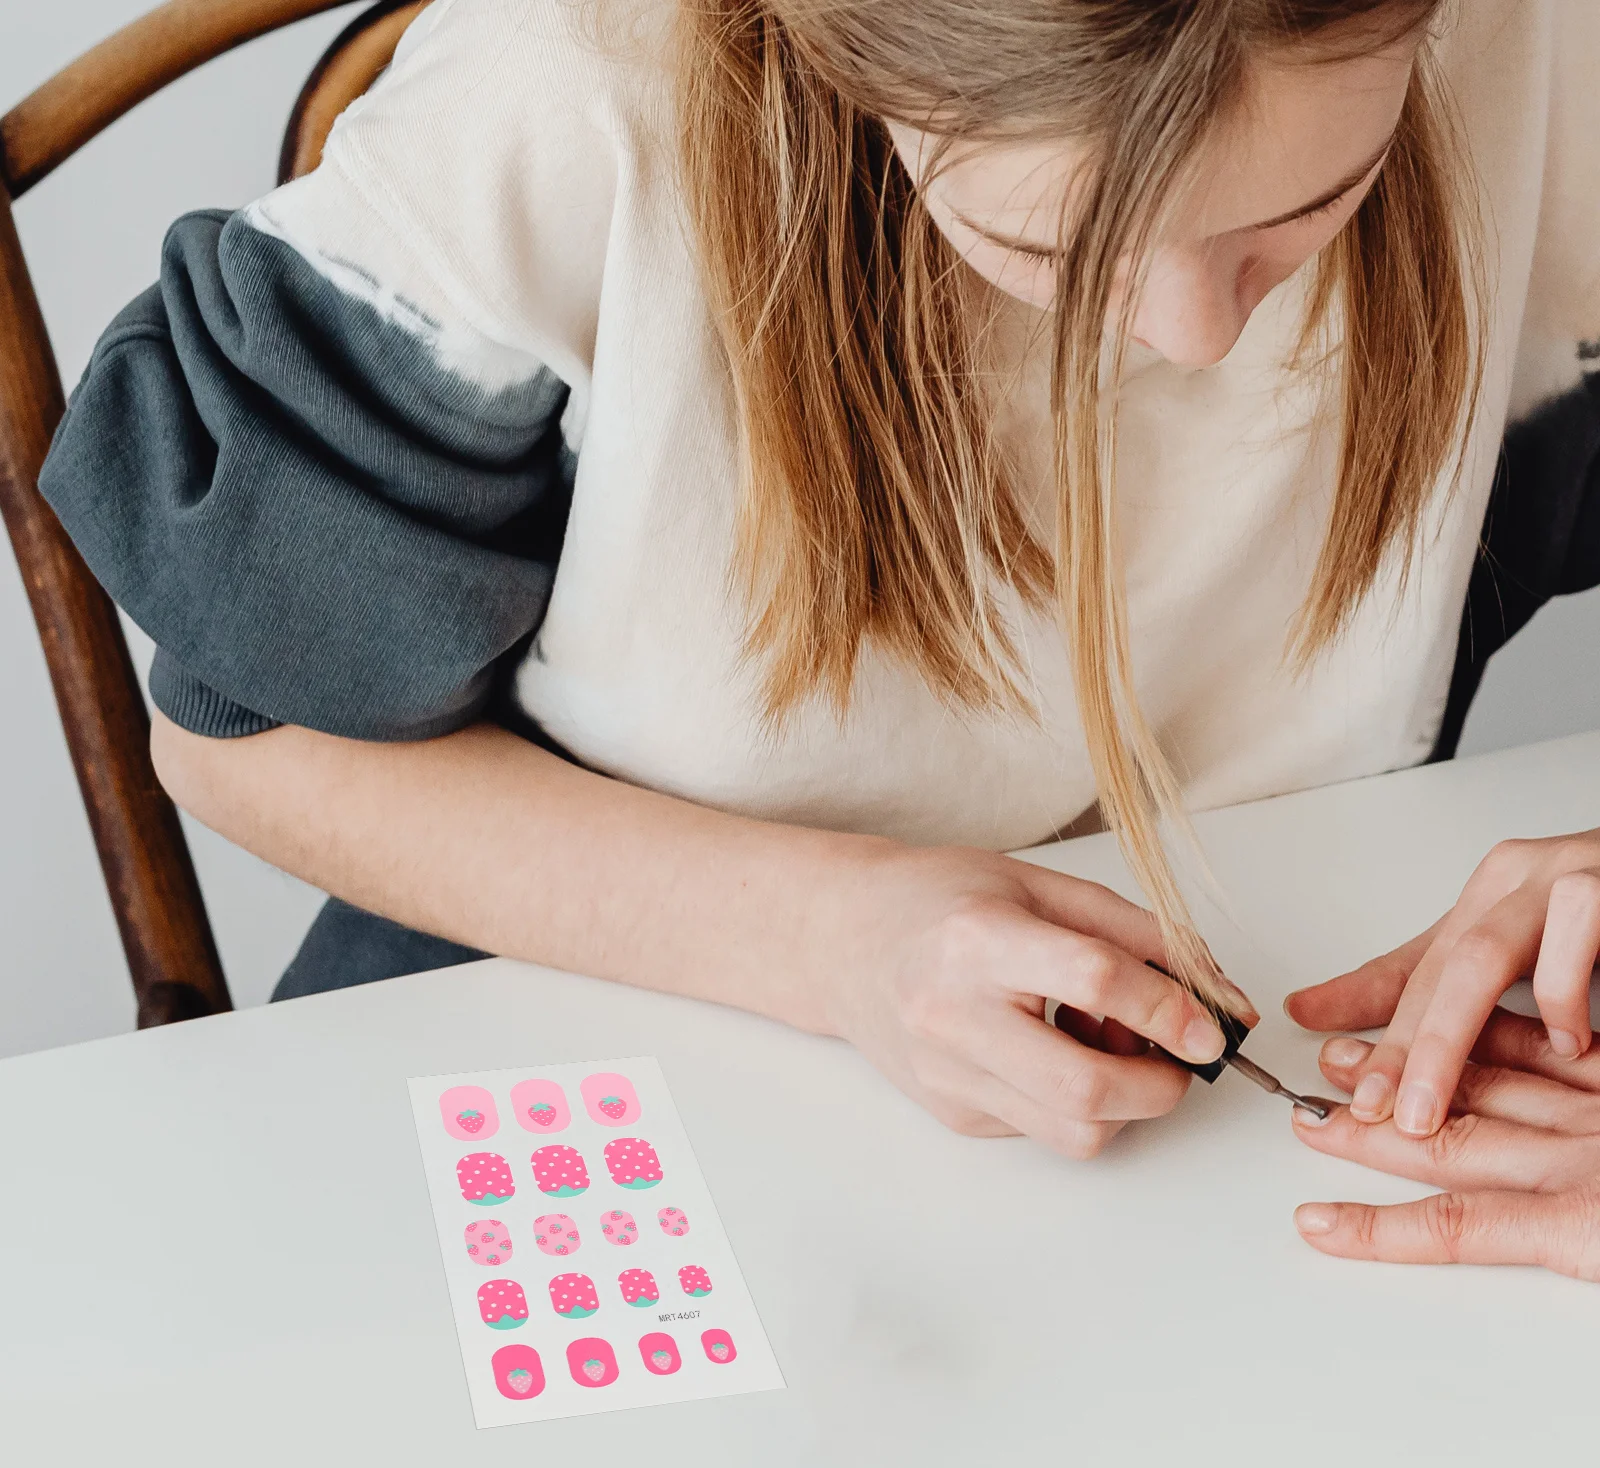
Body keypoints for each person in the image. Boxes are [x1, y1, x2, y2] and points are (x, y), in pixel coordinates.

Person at [38, 0, 1600, 1272]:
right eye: (1052, 252)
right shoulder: (568, 91)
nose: (1193, 335)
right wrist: (831, 939)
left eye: (1313, 204)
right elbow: (239, 741)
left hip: (1226, 1150)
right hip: (583, 1031)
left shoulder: (1543, 38)